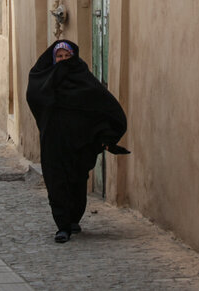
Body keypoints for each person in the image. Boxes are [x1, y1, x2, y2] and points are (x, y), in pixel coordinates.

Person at [26, 39, 129, 244]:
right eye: (59, 57)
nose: (63, 61)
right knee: (56, 182)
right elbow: (34, 97)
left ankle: (74, 219)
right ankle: (62, 226)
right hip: (54, 142)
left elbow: (103, 107)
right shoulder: (44, 80)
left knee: (77, 181)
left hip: (79, 144)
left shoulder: (84, 80)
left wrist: (105, 136)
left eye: (67, 57)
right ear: (53, 59)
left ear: (74, 58)